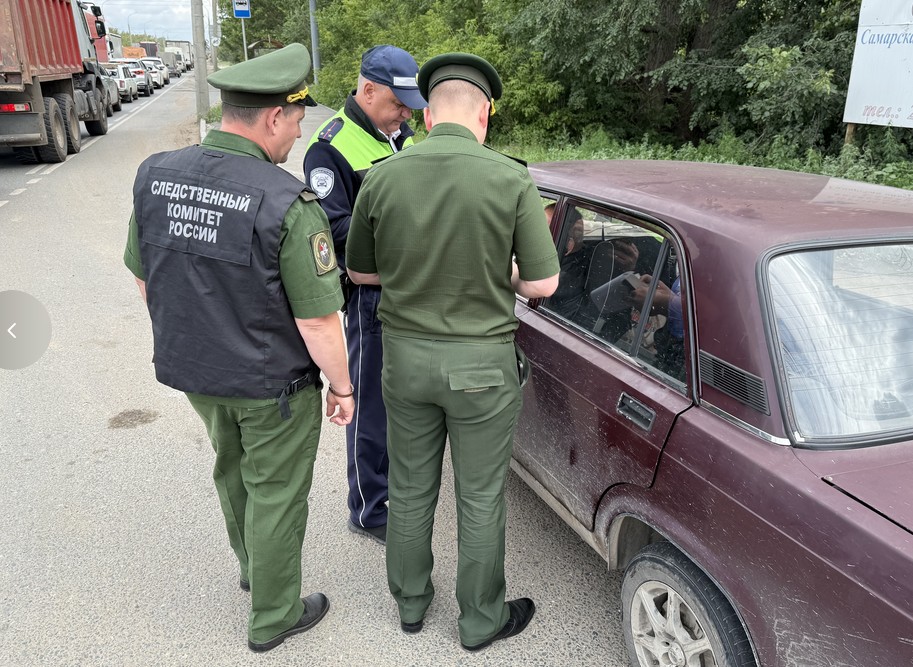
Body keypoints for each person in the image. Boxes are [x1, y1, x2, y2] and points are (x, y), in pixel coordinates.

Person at [122, 44, 354, 653]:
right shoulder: (286, 201)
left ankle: (255, 568)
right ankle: (274, 615)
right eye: (296, 121)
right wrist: (343, 386)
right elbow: (318, 320)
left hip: (198, 372)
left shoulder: (156, 175)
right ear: (273, 117)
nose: (298, 135)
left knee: (232, 471)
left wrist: (198, 330)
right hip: (272, 384)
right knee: (276, 491)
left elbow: (146, 277)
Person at [345, 52, 560, 651]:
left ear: (428, 116)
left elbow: (359, 272)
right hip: (481, 369)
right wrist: (501, 274)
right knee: (481, 496)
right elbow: (543, 285)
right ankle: (480, 620)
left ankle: (411, 605)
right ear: (484, 115)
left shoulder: (383, 176)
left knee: (411, 489)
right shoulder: (510, 178)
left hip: (406, 362)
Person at [304, 45, 427, 546]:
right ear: (368, 90)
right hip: (370, 297)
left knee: (406, 401)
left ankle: (396, 486)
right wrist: (410, 236)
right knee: (371, 406)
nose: (406, 114)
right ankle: (369, 507)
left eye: (411, 106)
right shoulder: (330, 148)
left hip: (413, 289)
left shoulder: (401, 135)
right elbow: (334, 230)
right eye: (399, 104)